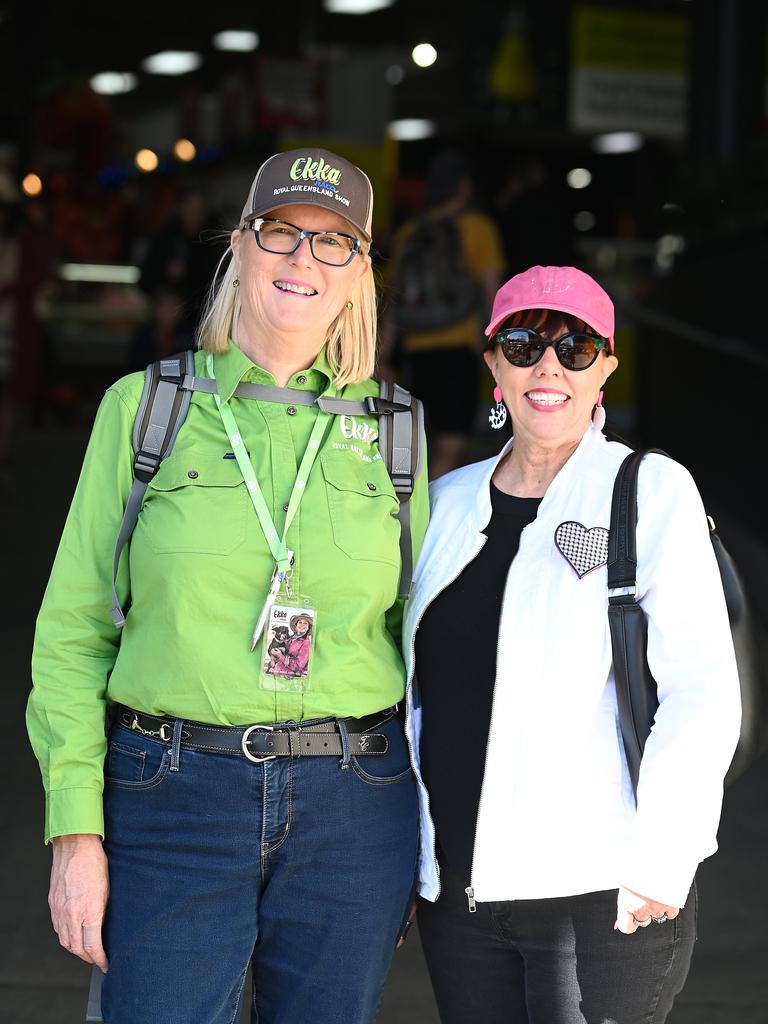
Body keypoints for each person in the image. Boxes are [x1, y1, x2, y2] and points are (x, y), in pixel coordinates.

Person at [27, 147, 429, 1024]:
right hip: (169, 792)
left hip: (353, 805)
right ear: (239, 247)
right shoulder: (145, 408)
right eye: (282, 232)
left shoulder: (397, 431)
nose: (303, 261)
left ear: (359, 271)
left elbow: (422, 643)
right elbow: (72, 630)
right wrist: (75, 829)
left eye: (333, 244)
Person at [401, 265, 741, 1023]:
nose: (547, 364)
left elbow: (702, 690)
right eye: (522, 344)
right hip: (463, 893)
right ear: (493, 366)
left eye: (576, 347)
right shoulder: (446, 504)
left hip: (602, 888)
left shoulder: (649, 491)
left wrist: (665, 855)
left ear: (605, 370)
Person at [380, 149, 505, 479]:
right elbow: (493, 293)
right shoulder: (478, 228)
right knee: (451, 444)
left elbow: (394, 300)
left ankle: (412, 505)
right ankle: (429, 517)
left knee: (419, 437)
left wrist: (382, 355)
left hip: (415, 351)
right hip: (457, 349)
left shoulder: (409, 232)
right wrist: (499, 347)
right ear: (464, 188)